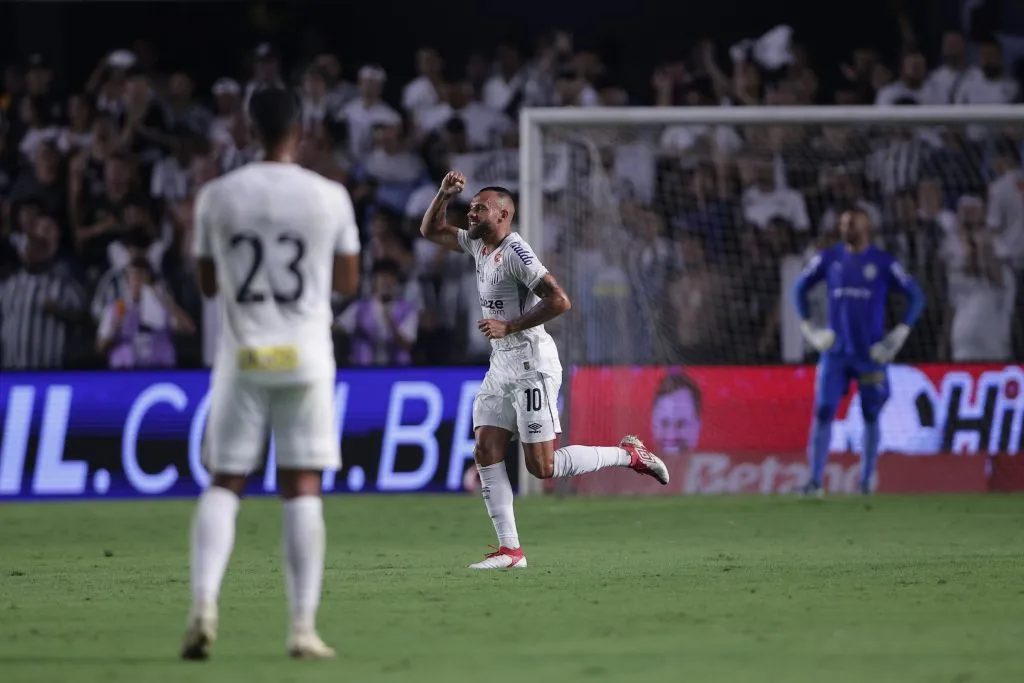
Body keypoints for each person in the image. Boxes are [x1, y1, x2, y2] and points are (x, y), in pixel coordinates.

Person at [182, 87, 360, 660]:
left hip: (242, 357)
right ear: (299, 131)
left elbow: (208, 286)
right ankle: (302, 628)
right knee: (302, 486)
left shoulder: (216, 196)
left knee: (225, 481)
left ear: (248, 129)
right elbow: (349, 283)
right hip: (305, 357)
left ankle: (205, 603)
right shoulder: (329, 196)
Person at [420, 171, 670, 570]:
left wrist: (511, 325)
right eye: (470, 207)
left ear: (503, 214)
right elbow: (431, 230)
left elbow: (560, 300)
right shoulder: (479, 246)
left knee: (542, 467)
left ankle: (628, 455)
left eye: (479, 207)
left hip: (531, 364)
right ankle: (510, 551)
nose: (471, 212)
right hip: (500, 363)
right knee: (485, 448)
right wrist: (444, 194)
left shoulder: (517, 253)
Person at [793, 209, 925, 496]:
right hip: (836, 354)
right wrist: (810, 329)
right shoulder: (829, 258)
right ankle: (815, 482)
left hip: (870, 355)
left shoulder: (883, 262)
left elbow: (916, 296)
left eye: (851, 223)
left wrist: (899, 333)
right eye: (843, 223)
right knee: (824, 410)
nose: (846, 227)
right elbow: (799, 288)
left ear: (867, 226)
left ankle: (866, 482)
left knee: (870, 414)